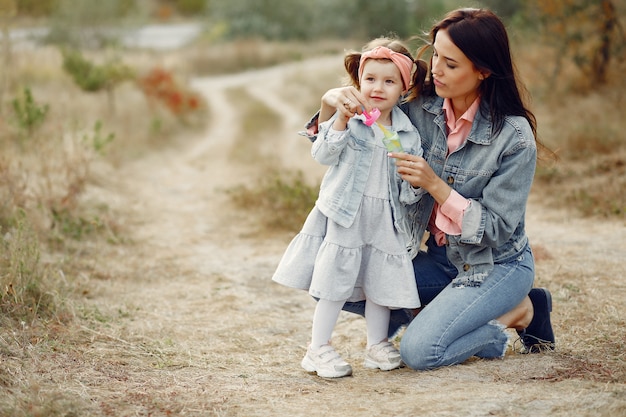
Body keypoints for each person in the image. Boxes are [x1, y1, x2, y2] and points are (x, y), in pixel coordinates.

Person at [306, 8, 556, 371]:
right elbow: (368, 112)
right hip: (439, 260)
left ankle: (520, 311)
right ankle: (441, 312)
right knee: (328, 278)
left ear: (483, 71)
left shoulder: (514, 138)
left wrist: (436, 186)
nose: (436, 68)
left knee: (420, 351)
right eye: (435, 54)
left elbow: (498, 229)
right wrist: (331, 102)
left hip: (493, 264)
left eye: (450, 64)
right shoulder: (419, 107)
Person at [272, 37, 427, 378]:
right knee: (334, 279)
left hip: (385, 217)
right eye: (370, 79)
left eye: (389, 81)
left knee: (380, 282)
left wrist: (413, 183)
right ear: (359, 81)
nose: (378, 88)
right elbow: (322, 155)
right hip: (347, 213)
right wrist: (340, 120)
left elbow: (409, 188)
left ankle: (376, 343)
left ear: (404, 87)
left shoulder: (407, 132)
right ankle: (318, 348)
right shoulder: (352, 120)